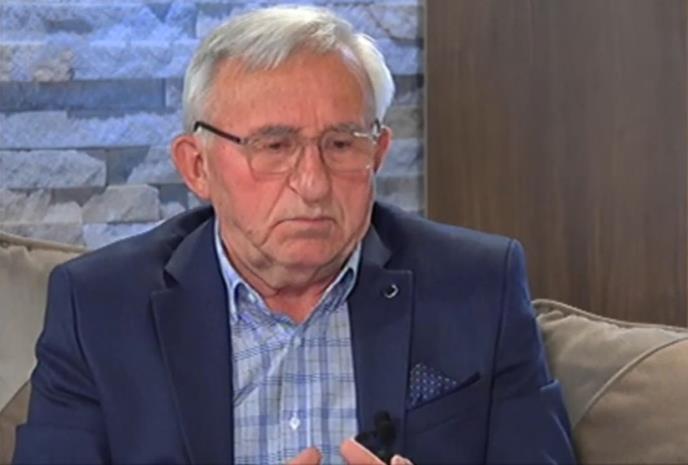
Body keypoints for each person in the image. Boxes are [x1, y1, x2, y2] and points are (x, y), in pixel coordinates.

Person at [13, 5, 575, 465]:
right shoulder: (99, 307)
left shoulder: (479, 285)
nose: (312, 184)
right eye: (274, 146)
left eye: (341, 144)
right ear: (197, 167)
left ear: (377, 153)